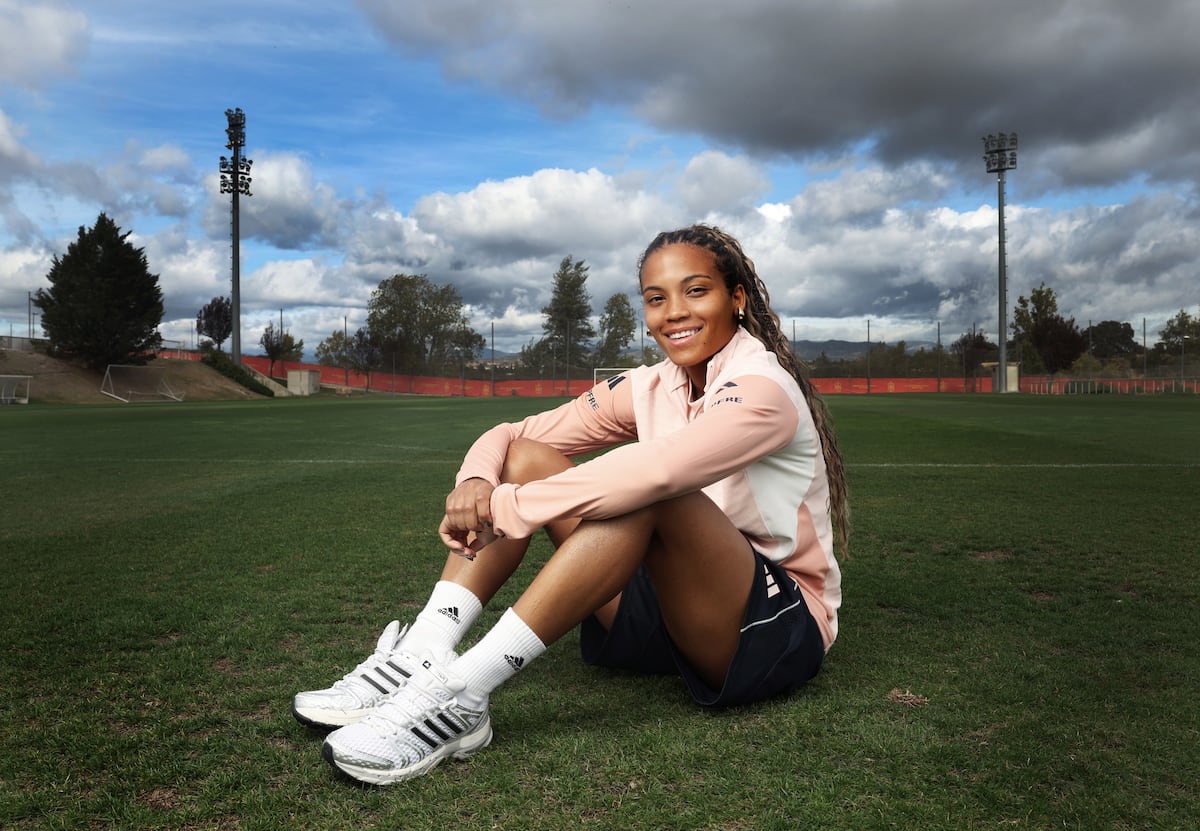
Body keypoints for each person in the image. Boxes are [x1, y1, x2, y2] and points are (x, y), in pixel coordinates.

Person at [293, 224, 850, 786]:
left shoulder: (762, 387)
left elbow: (657, 472)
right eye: (657, 299)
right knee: (528, 456)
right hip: (667, 607)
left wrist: (511, 510)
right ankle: (423, 651)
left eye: (696, 291)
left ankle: (461, 697)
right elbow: (514, 435)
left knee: (651, 493)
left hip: (770, 625)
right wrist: (476, 482)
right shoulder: (653, 383)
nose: (674, 312)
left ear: (737, 298)